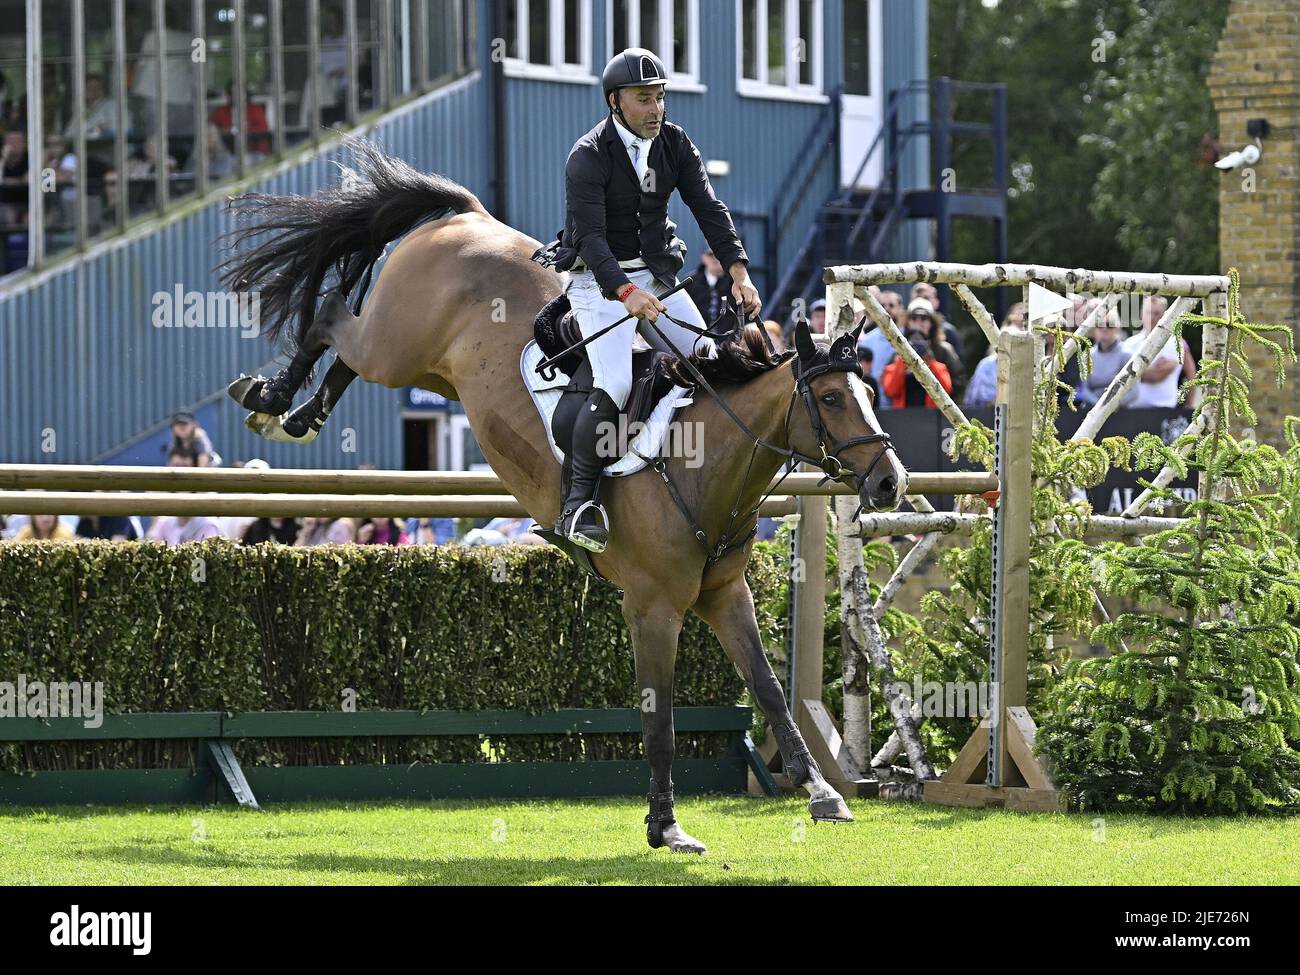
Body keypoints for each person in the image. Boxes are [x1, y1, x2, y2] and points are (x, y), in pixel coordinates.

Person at [534, 47, 760, 553]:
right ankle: (578, 505)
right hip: (597, 280)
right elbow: (590, 241)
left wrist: (740, 272)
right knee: (614, 380)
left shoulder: (675, 143)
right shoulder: (587, 156)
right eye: (644, 99)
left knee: (707, 359)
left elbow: (708, 207)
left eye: (660, 97)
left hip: (656, 278)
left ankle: (694, 484)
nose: (656, 108)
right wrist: (625, 292)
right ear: (616, 102)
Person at [1121, 295, 1181, 408]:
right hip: (1133, 409)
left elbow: (1158, 375)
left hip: (1164, 409)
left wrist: (1135, 371)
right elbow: (1122, 375)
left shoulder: (1174, 343)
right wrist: (1149, 369)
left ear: (1164, 316)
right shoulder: (1129, 344)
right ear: (1141, 314)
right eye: (1148, 312)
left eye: (1157, 313)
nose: (1152, 317)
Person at [880, 317, 953, 409]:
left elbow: (946, 390)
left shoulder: (939, 367)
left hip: (931, 417)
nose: (916, 347)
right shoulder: (892, 368)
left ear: (927, 345)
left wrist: (930, 361)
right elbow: (890, 391)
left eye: (920, 343)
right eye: (912, 344)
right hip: (902, 417)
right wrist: (904, 358)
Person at [1076, 309, 1137, 409]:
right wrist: (1098, 405)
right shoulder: (1087, 355)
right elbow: (1084, 389)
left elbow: (1133, 392)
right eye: (1100, 325)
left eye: (1109, 325)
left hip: (1119, 411)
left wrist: (1109, 406)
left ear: (1118, 328)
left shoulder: (1127, 355)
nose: (1104, 329)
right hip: (1092, 409)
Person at [906, 297, 964, 395]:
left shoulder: (944, 350)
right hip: (904, 409)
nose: (918, 322)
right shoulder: (898, 349)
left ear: (932, 323)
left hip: (937, 407)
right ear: (908, 322)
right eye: (914, 318)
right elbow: (890, 389)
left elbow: (958, 382)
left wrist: (932, 362)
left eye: (924, 318)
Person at [685, 248, 732, 325]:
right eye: (711, 255)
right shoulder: (690, 282)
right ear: (703, 257)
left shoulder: (733, 283)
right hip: (698, 332)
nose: (715, 258)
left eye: (719, 255)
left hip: (728, 334)